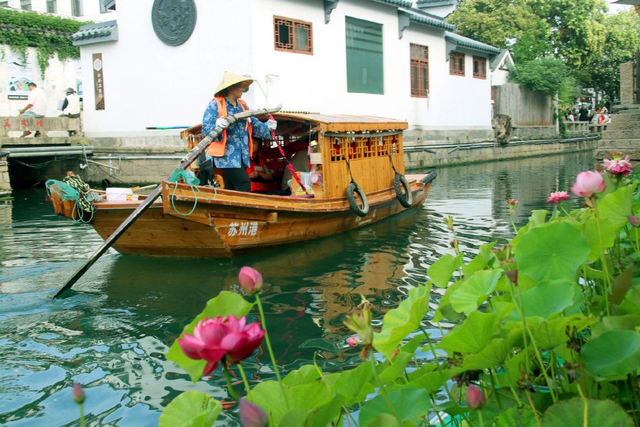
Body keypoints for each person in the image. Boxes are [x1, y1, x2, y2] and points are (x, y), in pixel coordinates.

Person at [201, 71, 276, 192]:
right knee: (244, 184)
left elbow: (254, 124)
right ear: (231, 87)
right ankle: (245, 205)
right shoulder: (215, 104)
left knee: (231, 188)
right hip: (226, 157)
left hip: (242, 156)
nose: (243, 89)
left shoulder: (243, 106)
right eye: (240, 86)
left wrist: (268, 126)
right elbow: (206, 128)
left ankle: (229, 205)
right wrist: (217, 125)